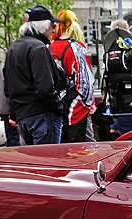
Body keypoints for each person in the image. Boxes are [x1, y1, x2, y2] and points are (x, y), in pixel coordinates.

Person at [5, 5, 65, 145]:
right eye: (52, 25)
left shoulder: (13, 48)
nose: (53, 29)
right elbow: (45, 88)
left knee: (34, 163)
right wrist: (59, 107)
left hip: (23, 116)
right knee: (48, 162)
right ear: (43, 26)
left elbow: (8, 87)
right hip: (42, 114)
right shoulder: (38, 48)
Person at [50, 10, 95, 142]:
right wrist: (87, 103)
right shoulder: (77, 47)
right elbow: (85, 85)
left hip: (54, 108)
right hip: (75, 109)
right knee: (81, 153)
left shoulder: (47, 47)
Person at [0, 62, 19, 146]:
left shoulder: (1, 69)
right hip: (11, 108)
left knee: (10, 137)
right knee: (15, 138)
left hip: (4, 108)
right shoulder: (10, 69)